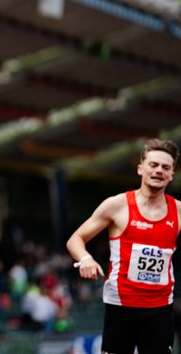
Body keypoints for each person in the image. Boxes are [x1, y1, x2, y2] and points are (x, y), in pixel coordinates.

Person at [67, 138, 180, 354]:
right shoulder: (117, 205)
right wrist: (86, 258)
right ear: (141, 169)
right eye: (153, 165)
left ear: (172, 174)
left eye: (166, 167)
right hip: (121, 305)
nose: (159, 171)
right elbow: (76, 239)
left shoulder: (179, 211)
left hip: (160, 308)